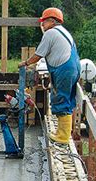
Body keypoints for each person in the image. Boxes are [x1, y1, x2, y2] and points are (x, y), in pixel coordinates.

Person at [18, 7, 80, 144]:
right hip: (73, 67)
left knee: (60, 98)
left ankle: (62, 136)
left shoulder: (50, 33)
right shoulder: (64, 32)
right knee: (67, 99)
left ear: (51, 21)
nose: (42, 25)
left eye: (44, 22)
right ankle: (62, 133)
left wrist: (25, 63)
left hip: (64, 69)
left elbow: (39, 54)